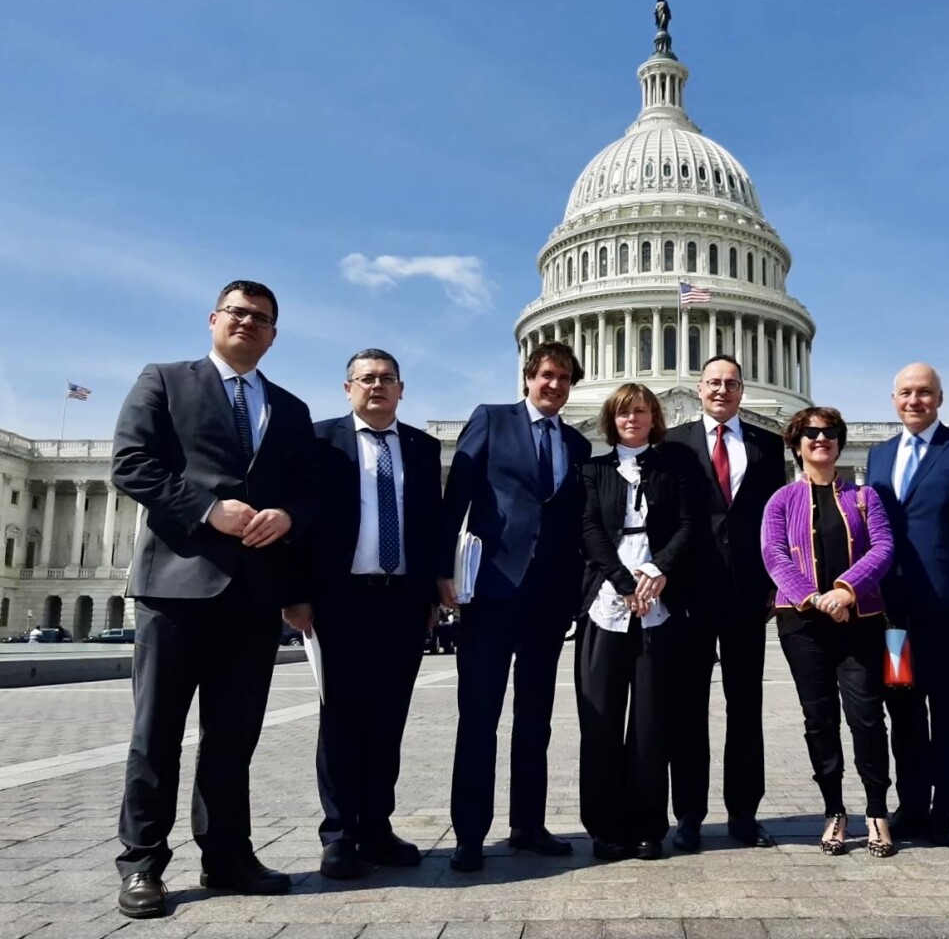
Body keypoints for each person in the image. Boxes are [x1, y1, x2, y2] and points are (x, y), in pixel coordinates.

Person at [111, 281, 317, 918]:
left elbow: (310, 492)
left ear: (274, 334)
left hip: (253, 595)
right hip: (177, 585)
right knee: (157, 736)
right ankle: (143, 864)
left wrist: (286, 514)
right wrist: (209, 510)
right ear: (214, 319)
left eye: (262, 319)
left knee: (233, 736)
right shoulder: (166, 380)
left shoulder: (289, 407)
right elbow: (131, 464)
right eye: (239, 313)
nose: (249, 324)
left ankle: (227, 853)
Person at [287, 350, 442, 879]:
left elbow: (431, 526)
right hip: (339, 597)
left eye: (387, 380)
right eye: (366, 379)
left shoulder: (422, 447)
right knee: (339, 717)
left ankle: (376, 826)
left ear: (402, 390)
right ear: (347, 387)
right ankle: (339, 834)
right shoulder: (316, 441)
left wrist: (429, 596)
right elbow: (299, 522)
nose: (377, 387)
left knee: (387, 720)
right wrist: (297, 593)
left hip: (401, 598)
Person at [438, 341, 592, 873]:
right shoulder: (492, 420)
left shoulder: (575, 442)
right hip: (493, 590)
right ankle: (470, 834)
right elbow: (455, 497)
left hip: (549, 597)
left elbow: (577, 522)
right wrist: (442, 573)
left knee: (536, 719)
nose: (555, 385)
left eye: (565, 378)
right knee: (479, 716)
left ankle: (527, 824)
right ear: (528, 376)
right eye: (547, 375)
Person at [663, 355, 787, 851]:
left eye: (730, 383)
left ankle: (744, 812)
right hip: (690, 593)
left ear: (742, 390)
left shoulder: (767, 444)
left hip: (746, 594)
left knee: (746, 707)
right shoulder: (673, 443)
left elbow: (776, 522)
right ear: (699, 388)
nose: (721, 390)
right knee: (688, 709)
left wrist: (777, 584)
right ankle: (689, 814)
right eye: (713, 382)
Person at [762, 407, 896, 857]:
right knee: (818, 719)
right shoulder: (780, 501)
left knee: (866, 715)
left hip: (859, 618)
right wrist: (815, 598)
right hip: (802, 622)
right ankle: (834, 810)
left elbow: (883, 547)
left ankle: (877, 810)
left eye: (830, 433)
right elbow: (774, 556)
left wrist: (845, 591)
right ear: (797, 444)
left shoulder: (864, 496)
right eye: (811, 434)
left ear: (840, 442)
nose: (821, 440)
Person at [577, 384, 696, 862]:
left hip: (660, 598)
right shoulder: (593, 469)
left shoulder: (675, 466)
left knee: (651, 721)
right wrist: (624, 583)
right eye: (624, 413)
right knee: (601, 718)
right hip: (607, 599)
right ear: (612, 418)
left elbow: (689, 524)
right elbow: (588, 530)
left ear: (654, 418)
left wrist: (659, 568)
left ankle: (648, 824)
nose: (632, 419)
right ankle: (604, 826)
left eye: (641, 412)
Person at [866, 363, 949, 846]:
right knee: (904, 708)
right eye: (906, 393)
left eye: (924, 393)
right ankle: (911, 803)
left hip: (947, 608)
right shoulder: (878, 455)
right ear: (893, 399)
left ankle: (946, 804)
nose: (915, 401)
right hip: (894, 614)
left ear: (940, 398)